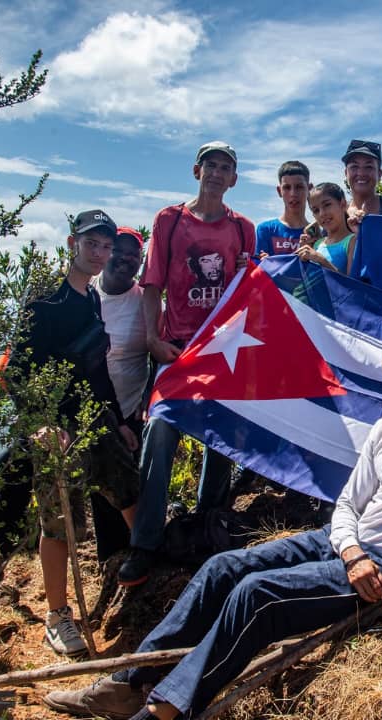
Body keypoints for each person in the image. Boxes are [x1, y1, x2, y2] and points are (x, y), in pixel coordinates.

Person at [44, 321, 382, 720]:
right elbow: (348, 503)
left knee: (257, 595)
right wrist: (348, 550)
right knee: (222, 569)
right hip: (344, 545)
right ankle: (127, 682)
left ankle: (166, 708)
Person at [122, 141, 257, 587]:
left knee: (221, 440)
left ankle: (209, 523)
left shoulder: (243, 228)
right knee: (160, 433)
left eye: (226, 168)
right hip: (176, 348)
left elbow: (246, 289)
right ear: (197, 171)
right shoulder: (170, 220)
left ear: (234, 179)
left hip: (222, 349)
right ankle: (144, 543)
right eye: (211, 166)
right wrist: (153, 340)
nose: (217, 174)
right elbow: (151, 285)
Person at [7, 209, 140, 657]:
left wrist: (119, 421)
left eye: (106, 246)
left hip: (93, 417)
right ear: (72, 243)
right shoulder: (43, 299)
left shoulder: (92, 300)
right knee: (59, 522)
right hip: (53, 428)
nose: (101, 254)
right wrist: (39, 423)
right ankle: (58, 615)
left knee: (127, 487)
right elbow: (18, 371)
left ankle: (144, 566)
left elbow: (98, 368)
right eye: (92, 244)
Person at [90, 225, 149, 560]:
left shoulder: (145, 302)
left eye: (134, 254)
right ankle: (110, 559)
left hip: (131, 409)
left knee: (133, 485)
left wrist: (147, 398)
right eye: (119, 250)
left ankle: (140, 551)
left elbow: (157, 352)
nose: (126, 259)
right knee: (103, 489)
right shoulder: (87, 295)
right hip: (92, 410)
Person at [255, 161, 312, 258]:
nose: (293, 194)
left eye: (299, 187)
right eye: (287, 187)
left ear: (309, 189)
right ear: (279, 191)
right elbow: (256, 269)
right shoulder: (265, 230)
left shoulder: (315, 234)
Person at [342, 138, 382, 227]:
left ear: (379, 174)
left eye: (369, 167)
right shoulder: (338, 214)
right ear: (346, 173)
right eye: (354, 166)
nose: (361, 173)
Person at [297, 182, 356, 274]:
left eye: (327, 205)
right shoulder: (317, 244)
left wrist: (321, 260)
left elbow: (351, 285)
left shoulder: (352, 241)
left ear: (343, 204)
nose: (322, 214)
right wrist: (303, 256)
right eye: (316, 210)